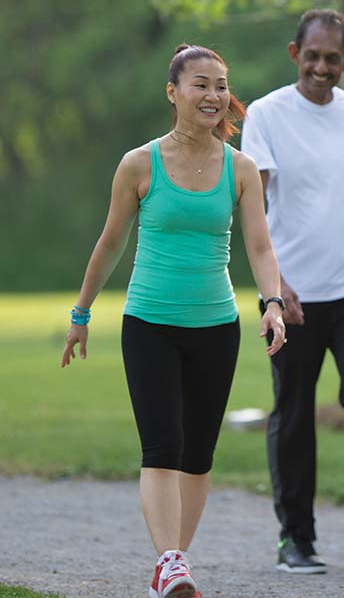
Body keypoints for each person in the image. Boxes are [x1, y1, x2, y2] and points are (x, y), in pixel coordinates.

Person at [61, 44, 287, 598]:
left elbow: (259, 245)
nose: (213, 95)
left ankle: (172, 563)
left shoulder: (241, 168)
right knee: (162, 446)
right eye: (200, 84)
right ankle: (170, 562)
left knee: (198, 454)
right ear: (173, 92)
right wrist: (81, 313)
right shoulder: (140, 163)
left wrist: (273, 302)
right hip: (150, 323)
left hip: (215, 327)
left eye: (220, 86)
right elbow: (111, 243)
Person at [240, 8, 344, 574]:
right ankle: (296, 537)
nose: (320, 66)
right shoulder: (266, 114)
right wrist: (275, 287)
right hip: (291, 295)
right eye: (311, 55)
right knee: (292, 410)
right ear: (295, 54)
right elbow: (253, 209)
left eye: (332, 58)